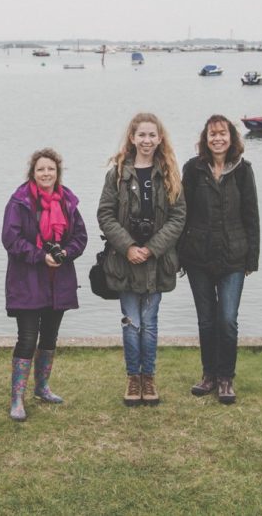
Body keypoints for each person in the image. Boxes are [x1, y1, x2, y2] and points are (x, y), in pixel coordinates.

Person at [97, 112, 187, 407]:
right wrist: (128, 247)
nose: (147, 140)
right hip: (124, 262)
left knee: (149, 322)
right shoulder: (117, 173)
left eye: (152, 135)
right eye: (141, 135)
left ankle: (148, 378)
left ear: (160, 139)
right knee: (130, 322)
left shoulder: (170, 173)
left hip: (157, 263)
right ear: (132, 138)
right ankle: (132, 378)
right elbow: (105, 214)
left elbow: (178, 217)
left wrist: (151, 249)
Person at [1, 148, 89, 421]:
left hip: (58, 282)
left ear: (57, 172)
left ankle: (42, 387)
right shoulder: (19, 201)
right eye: (41, 169)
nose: (46, 174)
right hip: (27, 280)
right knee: (27, 338)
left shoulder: (68, 202)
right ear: (33, 172)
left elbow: (80, 237)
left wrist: (65, 253)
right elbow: (10, 239)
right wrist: (41, 256)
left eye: (50, 169)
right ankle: (17, 397)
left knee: (49, 337)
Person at [179, 115, 258, 404]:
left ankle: (226, 378)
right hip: (197, 256)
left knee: (227, 320)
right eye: (212, 134)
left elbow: (252, 215)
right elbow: (181, 213)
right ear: (205, 138)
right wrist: (178, 255)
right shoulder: (192, 169)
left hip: (234, 258)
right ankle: (209, 375)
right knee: (206, 320)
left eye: (222, 133)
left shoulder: (243, 170)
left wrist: (252, 259)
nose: (217, 139)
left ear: (231, 137)